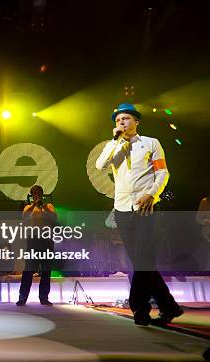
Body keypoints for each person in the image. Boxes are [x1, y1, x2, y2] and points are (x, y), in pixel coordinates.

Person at [96, 103, 183, 326]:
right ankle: (168, 306)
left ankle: (139, 309)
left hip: (147, 208)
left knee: (143, 260)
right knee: (140, 261)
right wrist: (114, 141)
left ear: (136, 121)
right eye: (117, 121)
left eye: (125, 119)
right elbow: (100, 165)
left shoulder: (151, 143)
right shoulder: (114, 146)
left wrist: (152, 194)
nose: (121, 123)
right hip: (123, 209)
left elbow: (162, 172)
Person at [16, 185, 56, 306]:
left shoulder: (48, 206)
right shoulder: (29, 207)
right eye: (34, 193)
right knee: (28, 269)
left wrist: (43, 206)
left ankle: (44, 297)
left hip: (46, 240)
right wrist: (35, 204)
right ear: (32, 195)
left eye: (38, 193)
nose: (37, 195)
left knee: (46, 270)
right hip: (33, 240)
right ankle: (22, 298)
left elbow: (54, 217)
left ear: (42, 194)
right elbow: (24, 216)